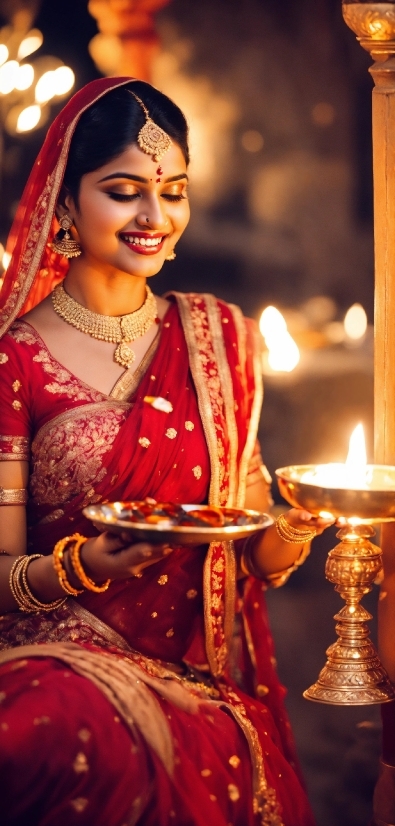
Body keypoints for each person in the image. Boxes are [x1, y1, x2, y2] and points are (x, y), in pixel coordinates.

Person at [0, 77, 332, 826]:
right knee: (40, 730)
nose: (155, 216)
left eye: (174, 190)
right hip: (49, 652)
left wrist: (301, 521)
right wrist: (82, 567)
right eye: (124, 191)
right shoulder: (14, 360)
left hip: (191, 673)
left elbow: (255, 558)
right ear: (62, 206)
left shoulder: (221, 340)